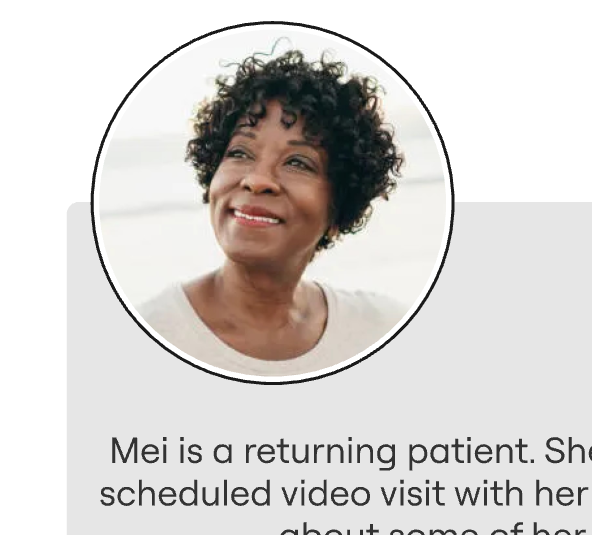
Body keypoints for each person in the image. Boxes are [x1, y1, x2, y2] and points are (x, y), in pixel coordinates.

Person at [139, 49, 407, 377]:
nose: (257, 180)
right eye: (239, 152)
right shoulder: (148, 336)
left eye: (298, 162)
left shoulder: (382, 330)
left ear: (339, 212)